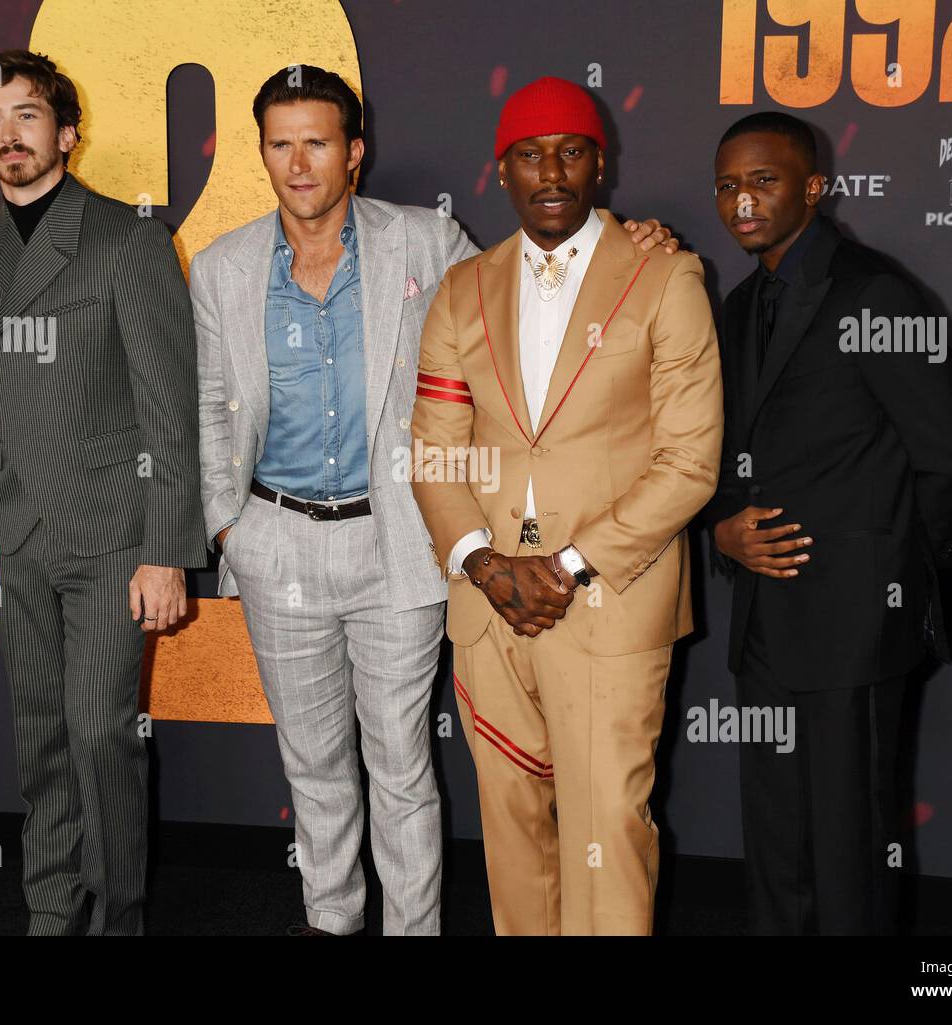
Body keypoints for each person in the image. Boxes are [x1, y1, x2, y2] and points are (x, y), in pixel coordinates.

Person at [191, 66, 675, 936]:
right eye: (280, 143)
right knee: (312, 765)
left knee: (403, 763)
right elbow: (205, 400)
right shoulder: (223, 267)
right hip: (276, 543)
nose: (299, 163)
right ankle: (332, 920)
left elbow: (530, 294)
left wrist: (636, 248)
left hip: (400, 544)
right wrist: (230, 526)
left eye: (319, 141)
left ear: (355, 152)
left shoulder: (426, 241)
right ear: (261, 151)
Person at [410, 76, 723, 935]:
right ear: (500, 172)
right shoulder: (461, 288)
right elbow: (435, 449)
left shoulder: (667, 278)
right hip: (489, 604)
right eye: (529, 155)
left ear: (601, 163)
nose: (551, 171)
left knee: (608, 828)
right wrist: (483, 561)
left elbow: (690, 463)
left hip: (610, 600)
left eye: (571, 152)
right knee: (510, 824)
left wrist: (565, 564)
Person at [0, 49, 204, 935]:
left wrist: (166, 549)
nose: (7, 134)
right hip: (17, 537)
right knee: (41, 739)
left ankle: (118, 915)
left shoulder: (126, 239)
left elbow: (170, 413)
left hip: (112, 534)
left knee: (101, 735)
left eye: (26, 115)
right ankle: (50, 909)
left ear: (67, 132)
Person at [708, 111, 952, 934]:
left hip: (857, 627)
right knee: (777, 849)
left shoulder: (877, 292)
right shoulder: (735, 306)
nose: (743, 202)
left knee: (850, 853)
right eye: (727, 186)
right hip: (763, 625)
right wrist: (722, 527)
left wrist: (895, 567)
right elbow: (721, 453)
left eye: (763, 181)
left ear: (815, 187)